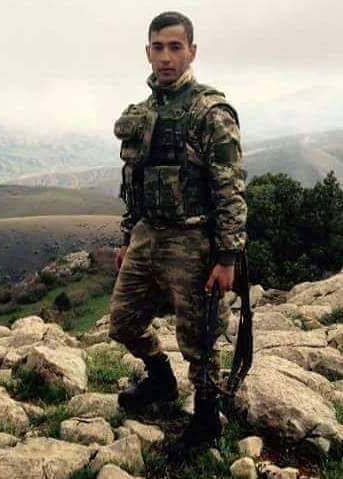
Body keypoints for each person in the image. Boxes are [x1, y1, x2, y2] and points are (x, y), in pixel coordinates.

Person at [109, 11, 248, 456]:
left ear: (192, 51)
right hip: (148, 235)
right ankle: (160, 379)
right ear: (147, 52)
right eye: (158, 47)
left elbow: (229, 190)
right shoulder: (145, 113)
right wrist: (128, 237)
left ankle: (206, 418)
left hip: (193, 240)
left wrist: (227, 258)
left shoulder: (210, 112)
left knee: (200, 339)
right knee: (123, 322)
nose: (166, 57)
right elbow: (135, 183)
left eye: (175, 47)